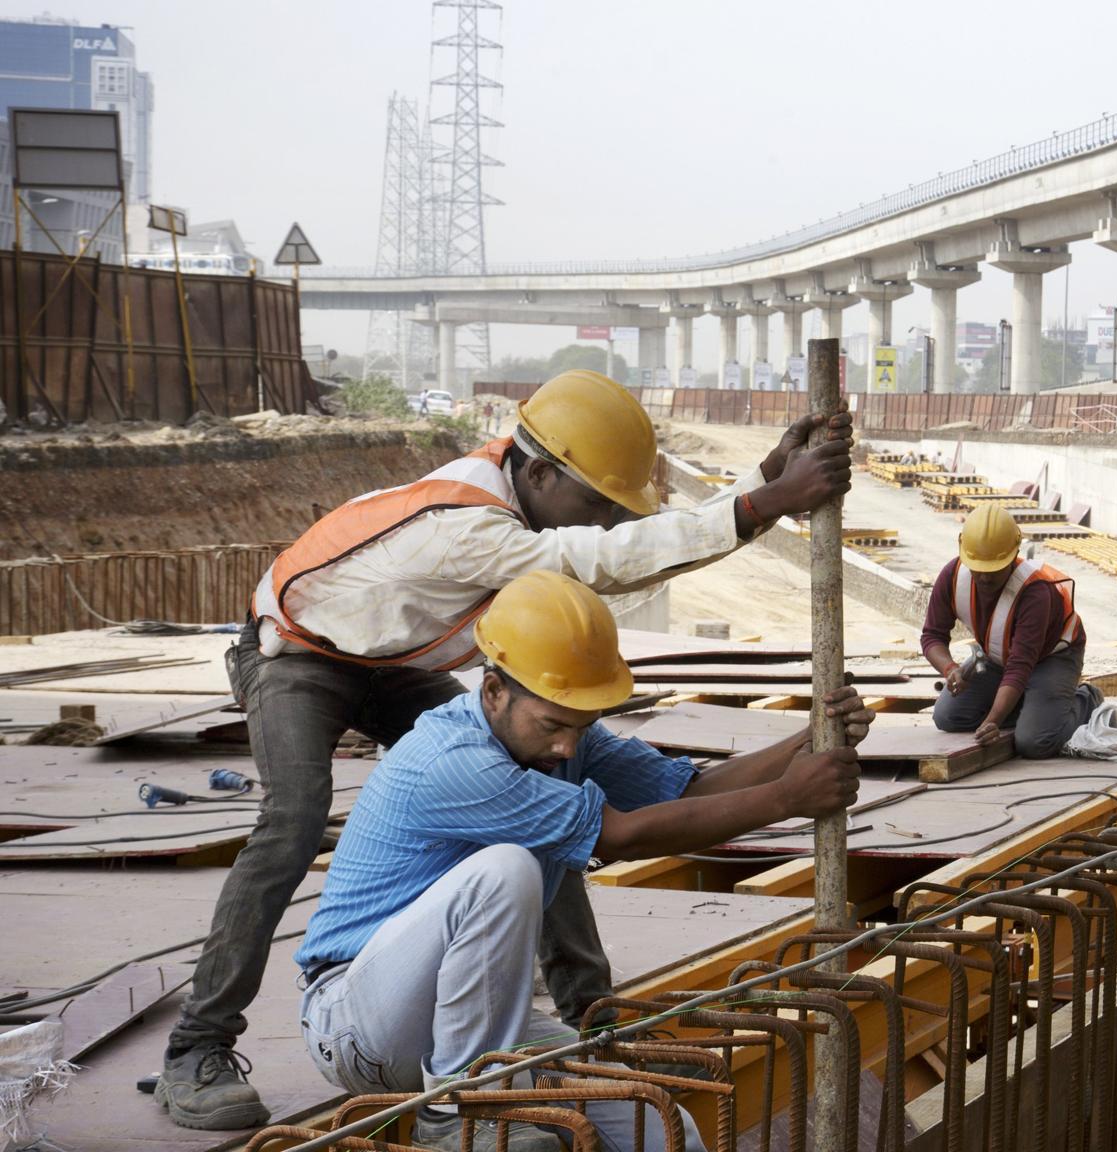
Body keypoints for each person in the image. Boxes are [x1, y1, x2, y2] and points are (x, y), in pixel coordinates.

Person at [157, 369, 853, 1131]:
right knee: (293, 818)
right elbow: (610, 559)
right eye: (594, 503)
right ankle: (198, 1047)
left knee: (542, 780)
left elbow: (624, 556)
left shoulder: (513, 495)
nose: (604, 520)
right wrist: (762, 505)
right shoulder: (473, 524)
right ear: (542, 472)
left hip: (390, 663)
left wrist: (762, 484)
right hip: (298, 653)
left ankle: (590, 1010)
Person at [292, 570, 871, 1152]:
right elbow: (618, 835)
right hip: (357, 1023)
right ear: (494, 691)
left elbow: (689, 794)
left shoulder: (563, 742)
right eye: (553, 725)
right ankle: (458, 1110)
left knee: (661, 1127)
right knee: (507, 869)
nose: (567, 747)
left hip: (465, 1026)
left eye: (580, 725)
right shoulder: (452, 760)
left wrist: (808, 740)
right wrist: (788, 799)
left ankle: (475, 1088)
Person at [921, 503, 1100, 759]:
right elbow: (932, 636)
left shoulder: (1036, 593)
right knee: (948, 717)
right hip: (998, 654)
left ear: (1013, 554)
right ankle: (1032, 709)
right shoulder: (952, 575)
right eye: (978, 569)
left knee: (1034, 742)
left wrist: (993, 720)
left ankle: (1085, 699)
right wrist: (950, 669)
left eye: (993, 571)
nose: (983, 579)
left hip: (1052, 657)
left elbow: (1019, 666)